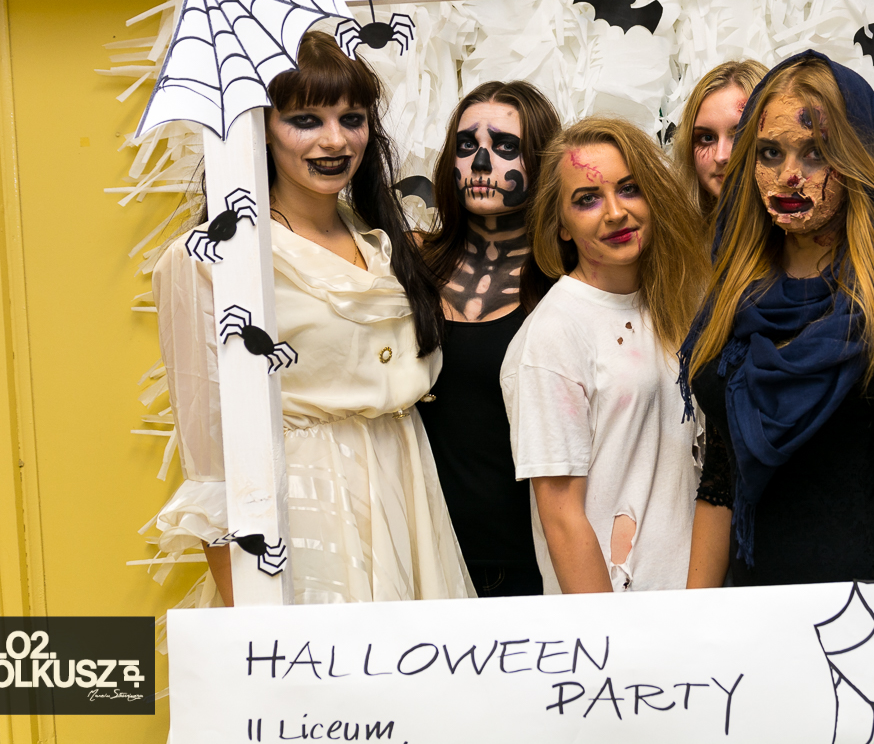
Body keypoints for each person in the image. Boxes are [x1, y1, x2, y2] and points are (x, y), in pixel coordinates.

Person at [152, 30, 473, 605]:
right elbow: (211, 464)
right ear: (259, 125)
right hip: (306, 509)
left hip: (410, 495)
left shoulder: (385, 242)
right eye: (305, 120)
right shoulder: (212, 259)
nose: (335, 140)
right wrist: (255, 625)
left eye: (352, 118)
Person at [680, 50, 874, 588]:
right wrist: (695, 620)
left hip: (856, 609)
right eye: (770, 152)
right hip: (750, 611)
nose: (789, 175)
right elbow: (720, 484)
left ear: (856, 163)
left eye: (815, 153)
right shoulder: (732, 298)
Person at [501, 116, 709, 593]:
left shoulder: (674, 303)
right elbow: (562, 519)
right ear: (561, 226)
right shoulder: (553, 334)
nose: (615, 212)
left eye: (629, 189)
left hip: (694, 602)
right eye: (587, 199)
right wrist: (608, 632)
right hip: (619, 616)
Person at [418, 81, 561, 597]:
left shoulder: (567, 281)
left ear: (541, 161)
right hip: (426, 557)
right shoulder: (409, 269)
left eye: (504, 146)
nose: (480, 163)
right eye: (466, 145)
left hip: (535, 561)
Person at [672, 60, 768, 215]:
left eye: (741, 135)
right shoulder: (680, 227)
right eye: (707, 138)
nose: (721, 156)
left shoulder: (802, 228)